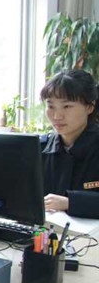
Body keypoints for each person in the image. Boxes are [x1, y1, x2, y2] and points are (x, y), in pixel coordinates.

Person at [40, 69, 99, 219]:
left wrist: (69, 202)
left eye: (67, 106)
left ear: (90, 107)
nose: (57, 116)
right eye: (51, 106)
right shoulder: (39, 148)